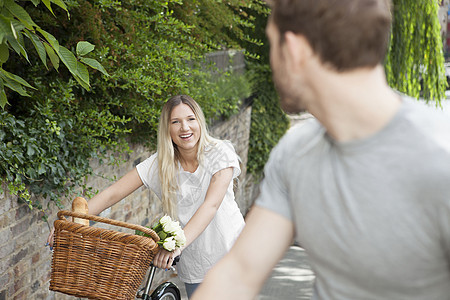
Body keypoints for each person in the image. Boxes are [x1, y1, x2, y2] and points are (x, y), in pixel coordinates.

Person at [192, 0, 450, 299]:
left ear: (294, 50)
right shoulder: (295, 153)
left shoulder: (439, 160)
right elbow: (239, 273)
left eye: (272, 42)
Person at [47, 94, 245, 299]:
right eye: (175, 122)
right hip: (197, 263)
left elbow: (210, 205)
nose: (184, 128)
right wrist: (68, 222)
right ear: (167, 129)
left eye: (190, 119)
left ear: (200, 121)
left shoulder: (220, 152)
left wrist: (176, 247)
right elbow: (112, 193)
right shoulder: (160, 163)